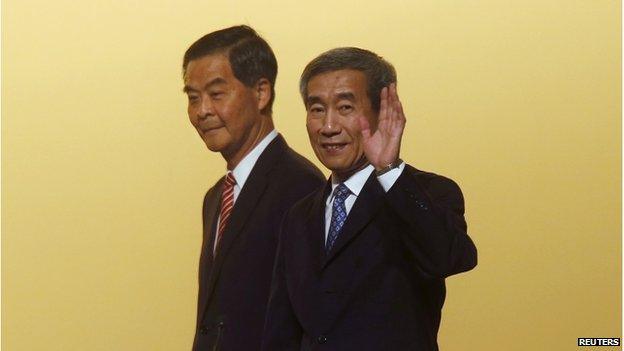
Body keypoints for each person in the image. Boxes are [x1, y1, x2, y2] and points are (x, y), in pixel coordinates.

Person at [262, 47, 477, 351]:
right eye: (317, 109)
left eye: (346, 107)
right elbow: (280, 332)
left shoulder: (429, 191)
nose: (328, 127)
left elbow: (453, 258)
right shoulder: (298, 217)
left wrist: (389, 170)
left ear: (384, 111)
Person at [182, 25, 325, 351]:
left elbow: (310, 321)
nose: (202, 111)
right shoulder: (217, 195)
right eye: (193, 98)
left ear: (261, 93)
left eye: (216, 94)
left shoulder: (301, 187)